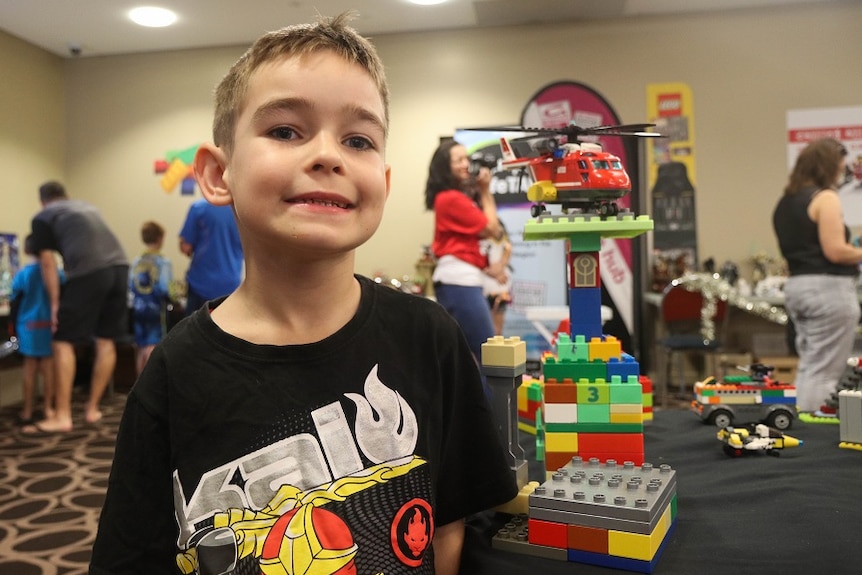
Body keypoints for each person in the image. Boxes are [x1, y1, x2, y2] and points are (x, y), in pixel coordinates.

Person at [90, 14, 517, 575]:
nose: (327, 155)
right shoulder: (173, 373)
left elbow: (449, 525)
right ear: (218, 176)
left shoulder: (429, 335)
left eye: (358, 139)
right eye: (286, 130)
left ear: (382, 187)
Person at [23, 181, 128, 433]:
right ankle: (92, 409)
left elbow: (47, 262)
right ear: (66, 195)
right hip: (121, 268)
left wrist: (56, 303)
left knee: (62, 341)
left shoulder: (44, 216)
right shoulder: (86, 207)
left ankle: (62, 416)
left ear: (42, 200)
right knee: (105, 340)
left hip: (89, 271)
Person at [772, 138, 862, 413]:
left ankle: (803, 419)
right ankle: (816, 429)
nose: (842, 173)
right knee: (826, 372)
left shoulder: (786, 202)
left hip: (798, 287)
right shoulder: (825, 198)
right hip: (828, 289)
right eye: (840, 168)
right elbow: (835, 251)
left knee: (812, 366)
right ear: (828, 167)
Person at [424, 139, 504, 366]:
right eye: (458, 160)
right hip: (460, 281)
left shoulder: (451, 199)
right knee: (490, 355)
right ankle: (490, 403)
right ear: (444, 167)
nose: (465, 164)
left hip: (460, 281)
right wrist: (486, 191)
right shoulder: (451, 198)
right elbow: (493, 229)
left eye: (466, 158)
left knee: (471, 357)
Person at [10, 234, 64, 425]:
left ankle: (27, 410)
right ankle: (48, 408)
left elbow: (14, 303)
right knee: (49, 367)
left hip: (27, 326)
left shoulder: (22, 274)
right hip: (49, 325)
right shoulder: (56, 273)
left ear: (25, 250)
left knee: (29, 368)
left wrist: (13, 329)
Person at [179, 197, 243, 315]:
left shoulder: (199, 207)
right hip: (230, 286)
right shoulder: (244, 210)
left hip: (201, 284)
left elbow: (186, 247)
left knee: (194, 332)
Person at [129, 221, 172, 376]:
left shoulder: (136, 261)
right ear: (160, 238)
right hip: (155, 309)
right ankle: (148, 384)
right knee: (152, 347)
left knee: (141, 347)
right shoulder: (162, 262)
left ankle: (138, 383)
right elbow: (164, 288)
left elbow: (131, 285)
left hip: (138, 307)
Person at [481, 221, 513, 336]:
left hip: (500, 290)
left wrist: (499, 271)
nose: (497, 231)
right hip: (483, 290)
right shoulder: (480, 243)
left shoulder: (506, 245)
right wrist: (496, 273)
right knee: (483, 330)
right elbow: (481, 265)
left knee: (497, 331)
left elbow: (505, 258)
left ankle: (496, 353)